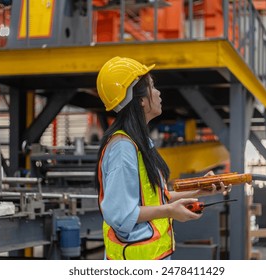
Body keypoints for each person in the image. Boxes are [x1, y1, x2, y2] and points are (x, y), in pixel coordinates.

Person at [95, 56, 231, 260]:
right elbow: (122, 216)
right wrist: (170, 211)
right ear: (140, 100)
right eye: (152, 86)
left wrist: (199, 190)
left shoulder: (140, 143)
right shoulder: (123, 149)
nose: (158, 92)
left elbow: (155, 199)